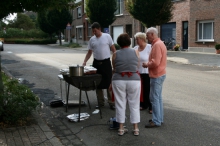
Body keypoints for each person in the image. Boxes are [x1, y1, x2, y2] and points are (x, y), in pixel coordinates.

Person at [111, 33, 141, 136]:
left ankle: (120, 129)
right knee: (134, 104)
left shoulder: (115, 53)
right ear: (129, 42)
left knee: (120, 103)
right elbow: (137, 66)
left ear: (119, 43)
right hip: (134, 80)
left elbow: (114, 68)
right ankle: (136, 129)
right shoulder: (136, 52)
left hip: (118, 80)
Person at [83, 22, 116, 110]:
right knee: (97, 83)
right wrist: (85, 61)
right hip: (96, 63)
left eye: (95, 31)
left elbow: (113, 49)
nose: (94, 33)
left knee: (109, 82)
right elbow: (89, 52)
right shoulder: (92, 40)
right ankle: (100, 102)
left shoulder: (107, 37)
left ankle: (111, 102)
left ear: (99, 29)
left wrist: (116, 60)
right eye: (93, 31)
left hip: (106, 63)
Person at [143, 27, 167, 128]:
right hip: (161, 73)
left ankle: (156, 120)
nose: (146, 37)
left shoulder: (157, 45)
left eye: (147, 35)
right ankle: (159, 118)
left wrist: (147, 64)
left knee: (154, 98)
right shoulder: (160, 43)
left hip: (156, 74)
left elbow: (156, 62)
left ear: (152, 34)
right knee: (158, 98)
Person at [133, 32, 152, 113]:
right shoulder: (135, 48)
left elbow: (152, 59)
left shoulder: (149, 47)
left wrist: (148, 64)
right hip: (138, 72)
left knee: (148, 90)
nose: (136, 41)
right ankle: (143, 104)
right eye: (136, 39)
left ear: (142, 39)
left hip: (147, 72)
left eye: (138, 39)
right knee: (140, 90)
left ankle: (151, 106)